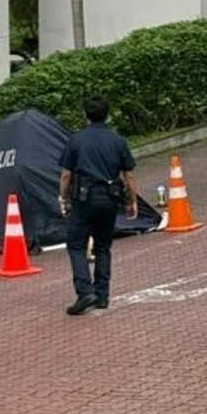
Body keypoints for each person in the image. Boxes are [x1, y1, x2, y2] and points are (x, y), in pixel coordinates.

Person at [58, 95, 138, 316]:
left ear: (86, 115)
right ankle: (102, 294)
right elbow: (129, 174)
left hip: (84, 198)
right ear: (107, 114)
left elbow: (66, 174)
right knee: (103, 246)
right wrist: (131, 200)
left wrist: (62, 197)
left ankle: (84, 291)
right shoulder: (117, 140)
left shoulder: (76, 140)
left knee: (76, 245)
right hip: (110, 198)